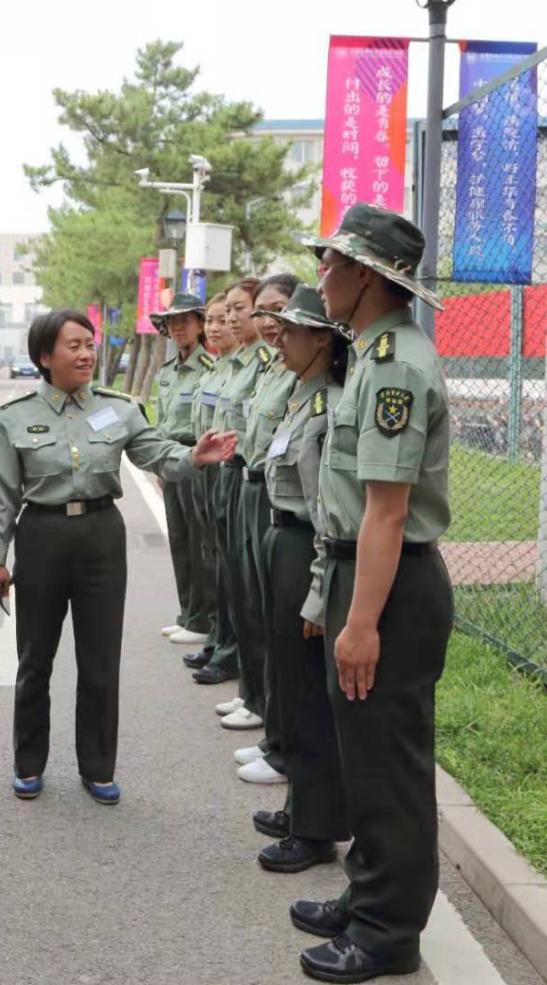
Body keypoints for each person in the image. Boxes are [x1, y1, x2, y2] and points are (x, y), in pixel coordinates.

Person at [289, 204, 452, 983]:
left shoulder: (393, 364)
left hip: (388, 581)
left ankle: (387, 933)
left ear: (365, 276)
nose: (320, 277)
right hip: (367, 572)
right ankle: (366, 896)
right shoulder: (371, 350)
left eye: (329, 265)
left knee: (388, 766)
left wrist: (359, 622)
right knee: (365, 757)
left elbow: (386, 511)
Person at [0, 310, 238, 805]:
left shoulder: (118, 408)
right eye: (74, 346)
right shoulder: (14, 416)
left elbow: (155, 452)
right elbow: (2, 495)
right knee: (34, 658)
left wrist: (193, 457)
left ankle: (98, 767)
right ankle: (28, 763)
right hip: (41, 536)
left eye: (90, 344)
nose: (86, 354)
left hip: (101, 536)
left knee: (101, 658)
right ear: (44, 357)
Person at [251, 285, 349, 875]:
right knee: (289, 686)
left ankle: (315, 831)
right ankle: (299, 807)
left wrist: (317, 592)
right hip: (280, 540)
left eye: (292, 330)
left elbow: (326, 511)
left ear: (322, 341)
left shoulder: (328, 408)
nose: (280, 338)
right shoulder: (297, 398)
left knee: (309, 694)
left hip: (304, 549)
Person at [230, 273, 300, 768]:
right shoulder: (275, 367)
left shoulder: (303, 369)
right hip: (255, 486)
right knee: (252, 604)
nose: (268, 321)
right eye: (263, 312)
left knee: (277, 621)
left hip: (280, 499)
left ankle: (277, 732)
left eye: (278, 310)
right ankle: (260, 707)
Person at [192, 278, 262, 695]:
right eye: (221, 314)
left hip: (245, 474)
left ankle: (233, 659)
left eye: (237, 310)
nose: (228, 320)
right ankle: (223, 644)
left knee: (242, 576)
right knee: (222, 566)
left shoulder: (263, 363)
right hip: (221, 468)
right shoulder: (230, 365)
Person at [149, 293, 217, 649]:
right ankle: (187, 612)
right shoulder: (167, 372)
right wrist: (160, 464)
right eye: (173, 322)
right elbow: (161, 421)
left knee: (199, 541)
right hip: (171, 460)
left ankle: (203, 619)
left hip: (197, 459)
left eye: (185, 321)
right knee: (178, 539)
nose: (178, 328)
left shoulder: (210, 368)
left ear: (200, 325)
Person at [184, 293, 233, 675]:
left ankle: (228, 650)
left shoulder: (253, 367)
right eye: (214, 319)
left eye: (227, 316)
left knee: (228, 565)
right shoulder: (220, 368)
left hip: (232, 472)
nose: (218, 326)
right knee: (210, 554)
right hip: (210, 467)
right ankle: (218, 638)